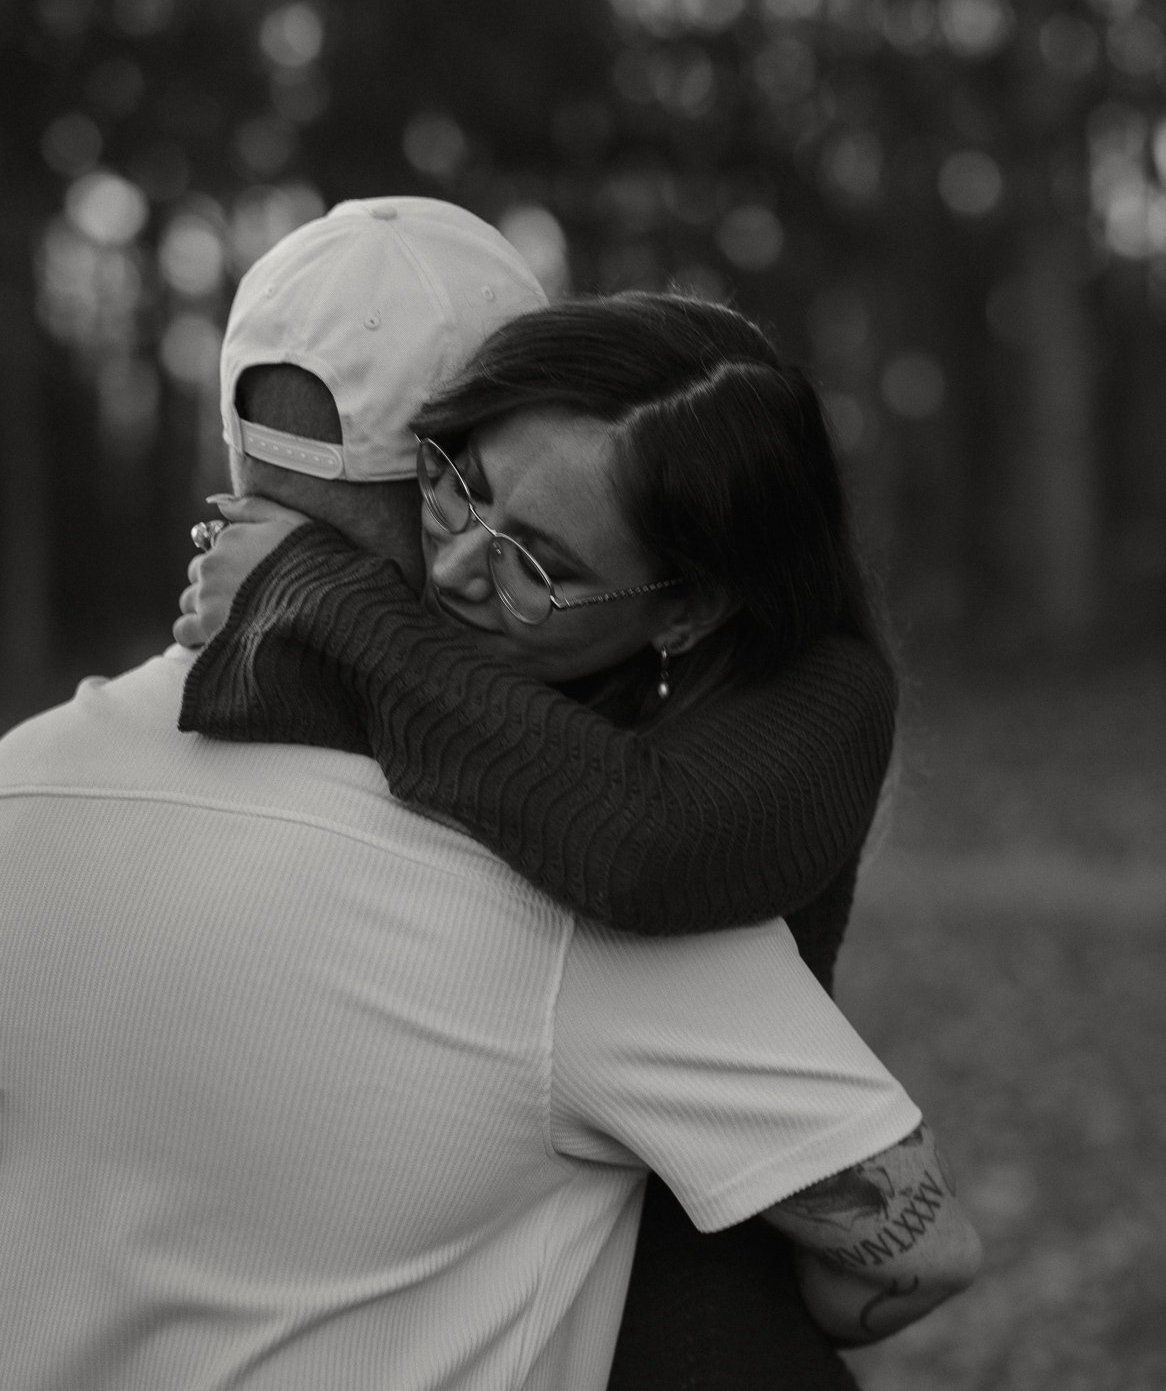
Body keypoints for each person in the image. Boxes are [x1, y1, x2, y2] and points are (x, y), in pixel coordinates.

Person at [0, 199, 980, 1391]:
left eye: (542, 565)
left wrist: (318, 598)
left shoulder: (808, 705)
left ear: (686, 607)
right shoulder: (512, 833)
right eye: (455, 485)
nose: (465, 569)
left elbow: (639, 842)